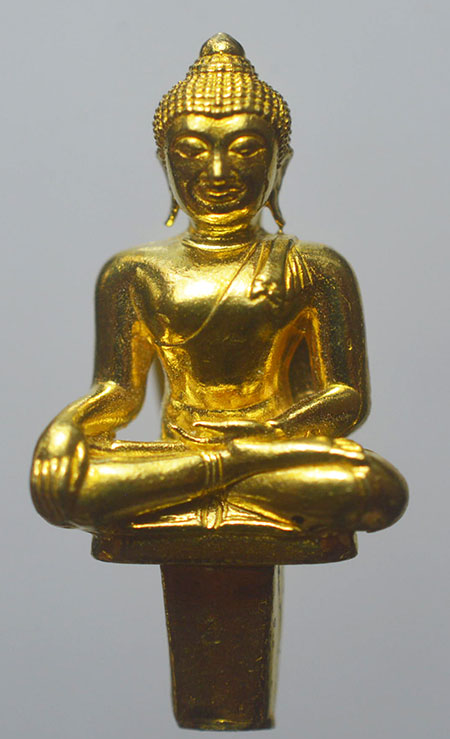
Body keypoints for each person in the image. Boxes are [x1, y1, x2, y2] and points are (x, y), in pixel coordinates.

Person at [31, 34, 407, 562]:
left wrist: (272, 431)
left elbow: (346, 396)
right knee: (61, 487)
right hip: (186, 455)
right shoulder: (133, 272)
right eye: (190, 151)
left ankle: (211, 478)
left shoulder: (314, 267)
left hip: (269, 451)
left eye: (246, 149)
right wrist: (66, 426)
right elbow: (118, 392)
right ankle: (226, 472)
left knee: (376, 490)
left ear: (280, 165)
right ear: (165, 164)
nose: (216, 173)